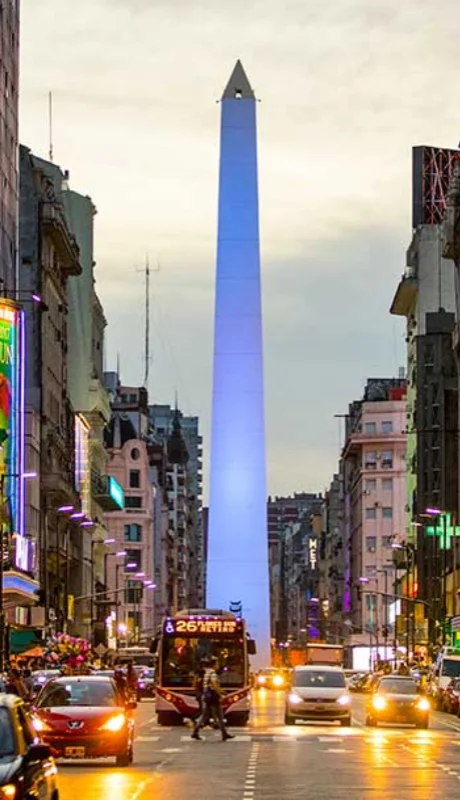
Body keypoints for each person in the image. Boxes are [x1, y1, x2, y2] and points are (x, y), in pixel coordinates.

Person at [191, 656, 234, 742]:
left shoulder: (206, 672)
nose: (218, 665)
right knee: (219, 716)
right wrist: (221, 693)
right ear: (214, 665)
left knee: (205, 715)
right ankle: (224, 734)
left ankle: (195, 732)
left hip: (206, 696)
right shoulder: (213, 673)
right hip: (213, 697)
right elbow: (214, 685)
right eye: (217, 664)